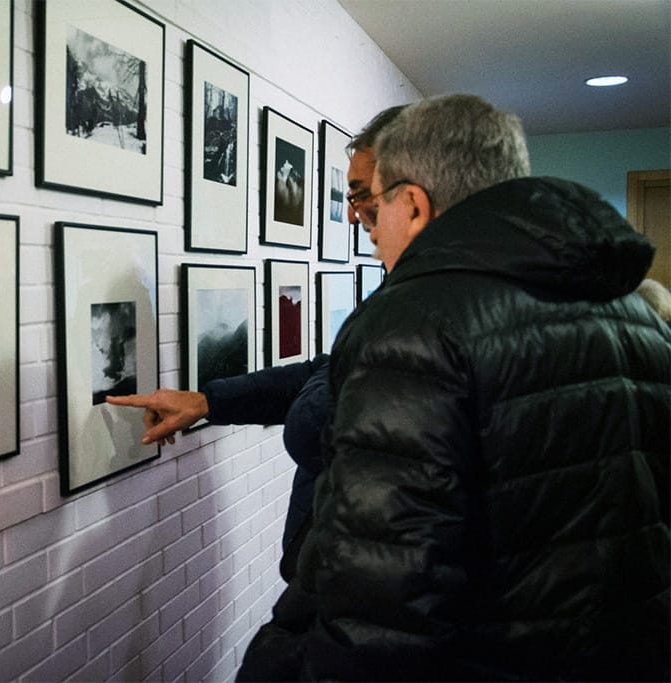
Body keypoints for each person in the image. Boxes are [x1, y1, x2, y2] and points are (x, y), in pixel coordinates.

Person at [241, 93, 671, 681]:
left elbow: (384, 589)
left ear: (413, 205)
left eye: (374, 205)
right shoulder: (634, 310)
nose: (364, 227)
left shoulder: (417, 322)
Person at [107, 107, 407, 582]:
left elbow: (323, 425)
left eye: (360, 193)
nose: (351, 214)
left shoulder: (430, 316)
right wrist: (208, 400)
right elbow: (327, 372)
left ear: (412, 200)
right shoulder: (403, 296)